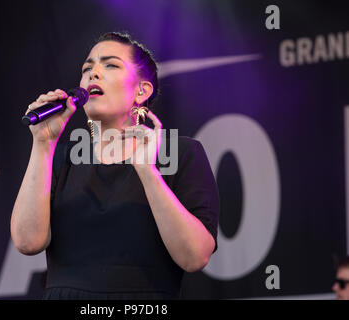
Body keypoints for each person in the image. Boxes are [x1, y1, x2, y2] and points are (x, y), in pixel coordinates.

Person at [11, 32, 219, 300]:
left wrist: (148, 171)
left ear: (141, 91)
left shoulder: (180, 153)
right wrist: (42, 143)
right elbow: (27, 242)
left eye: (110, 65)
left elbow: (195, 257)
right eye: (87, 68)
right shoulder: (61, 157)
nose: (93, 73)